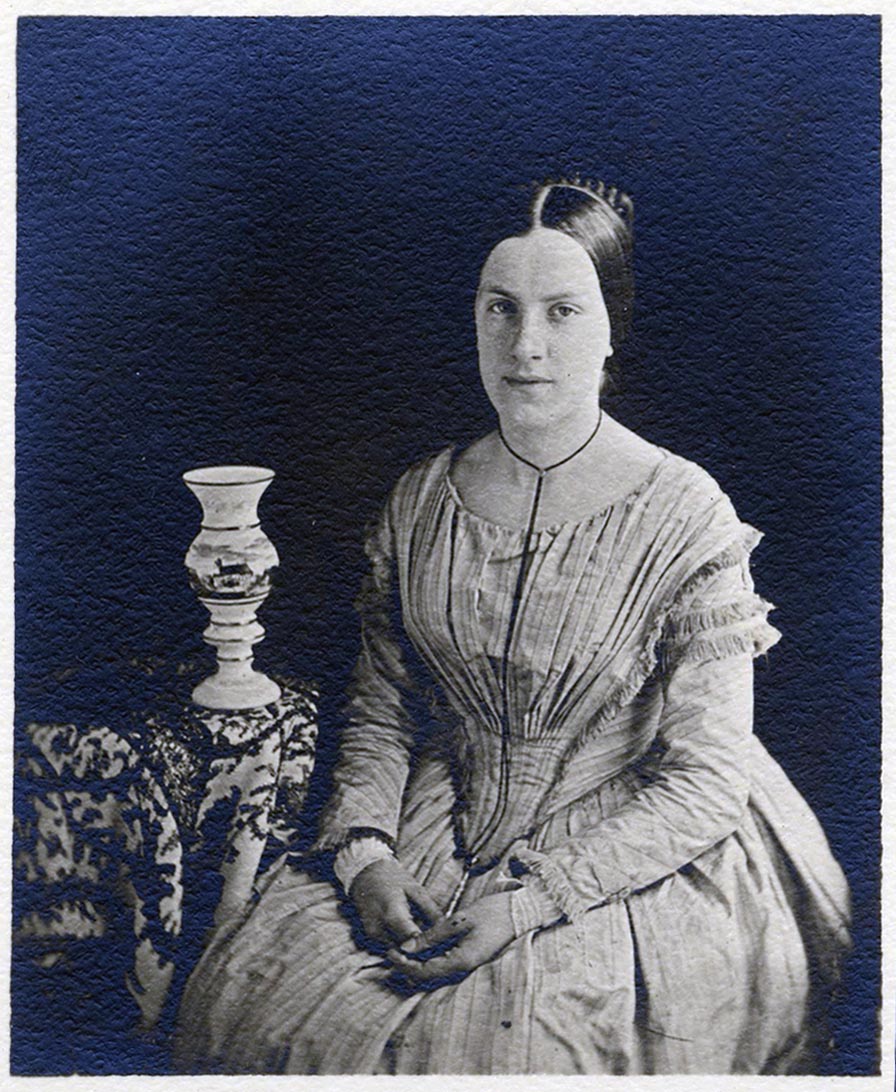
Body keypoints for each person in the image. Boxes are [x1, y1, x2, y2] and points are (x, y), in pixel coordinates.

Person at [175, 178, 851, 1075]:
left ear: (612, 327)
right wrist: (369, 857)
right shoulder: (422, 498)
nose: (526, 347)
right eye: (502, 310)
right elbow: (382, 713)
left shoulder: (685, 511)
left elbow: (706, 779)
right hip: (437, 820)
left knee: (527, 1052)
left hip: (634, 848)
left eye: (562, 312)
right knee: (266, 1009)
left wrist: (527, 905)